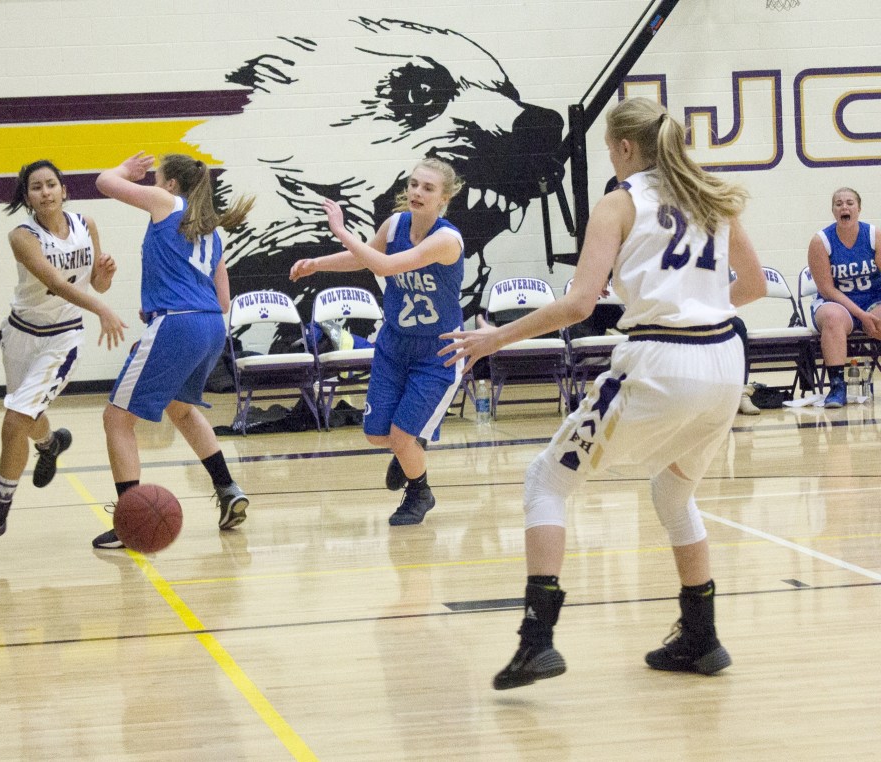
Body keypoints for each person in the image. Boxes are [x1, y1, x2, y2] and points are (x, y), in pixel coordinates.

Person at [439, 97, 767, 688]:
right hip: (724, 359)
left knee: (548, 479)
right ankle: (702, 636)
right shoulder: (712, 195)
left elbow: (579, 303)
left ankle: (537, 641)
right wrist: (700, 312)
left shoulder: (619, 202)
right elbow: (755, 284)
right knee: (674, 493)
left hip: (660, 358)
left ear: (622, 147)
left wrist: (497, 338)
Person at [92, 152, 255, 549]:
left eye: (155, 178)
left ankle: (128, 519)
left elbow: (103, 182)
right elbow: (223, 300)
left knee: (117, 419)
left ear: (170, 185)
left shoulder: (167, 203)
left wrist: (122, 170)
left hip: (178, 322)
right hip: (211, 327)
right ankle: (228, 488)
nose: (151, 185)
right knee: (181, 410)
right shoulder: (212, 232)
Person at [290, 158, 466, 526]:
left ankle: (420, 491)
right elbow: (364, 258)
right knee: (376, 436)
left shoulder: (447, 240)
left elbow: (384, 267)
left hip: (438, 352)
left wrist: (340, 230)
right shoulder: (396, 224)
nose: (417, 192)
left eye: (428, 188)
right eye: (414, 184)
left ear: (444, 198)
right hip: (394, 345)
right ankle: (409, 448)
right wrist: (318, 263)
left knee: (401, 437)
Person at [0, 160, 127, 545]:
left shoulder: (87, 226)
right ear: (28, 198)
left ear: (64, 190)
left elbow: (96, 285)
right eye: (36, 187)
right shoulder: (22, 236)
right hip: (20, 335)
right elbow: (53, 281)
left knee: (14, 420)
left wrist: (106, 274)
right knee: (27, 416)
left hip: (62, 338)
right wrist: (101, 308)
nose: (46, 192)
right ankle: (51, 444)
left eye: (51, 184)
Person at [806, 187, 881, 407]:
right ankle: (837, 387)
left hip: (873, 301)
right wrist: (861, 315)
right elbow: (827, 289)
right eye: (838, 204)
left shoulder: (874, 236)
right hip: (837, 303)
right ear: (833, 210)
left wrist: (872, 315)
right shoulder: (821, 241)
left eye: (849, 202)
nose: (844, 207)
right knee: (832, 317)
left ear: (859, 208)